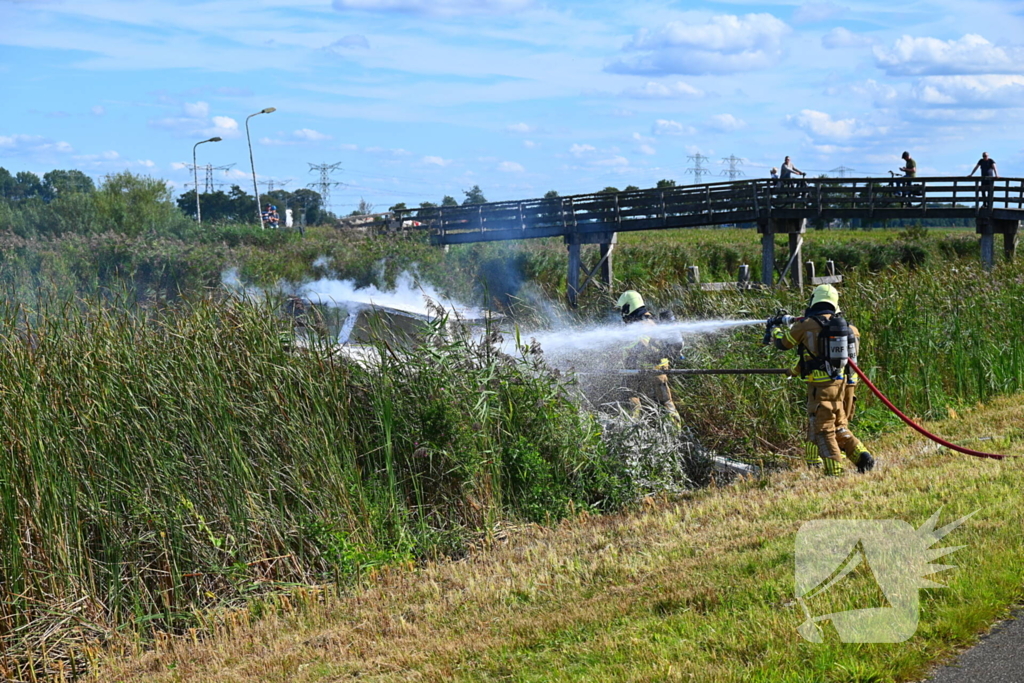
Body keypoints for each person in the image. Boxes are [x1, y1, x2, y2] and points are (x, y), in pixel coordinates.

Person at [765, 285, 874, 476]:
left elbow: (784, 344)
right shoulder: (848, 328)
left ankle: (835, 472)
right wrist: (796, 369)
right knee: (839, 426)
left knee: (823, 430)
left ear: (814, 300)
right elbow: (815, 357)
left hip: (820, 388)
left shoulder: (806, 325)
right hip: (842, 386)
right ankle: (861, 455)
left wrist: (775, 330)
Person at [616, 290, 681, 426]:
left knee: (632, 398)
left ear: (628, 307)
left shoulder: (639, 324)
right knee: (666, 402)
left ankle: (632, 432)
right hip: (660, 370)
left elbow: (641, 344)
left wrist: (622, 347)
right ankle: (676, 431)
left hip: (639, 370)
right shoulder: (654, 320)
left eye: (623, 309)